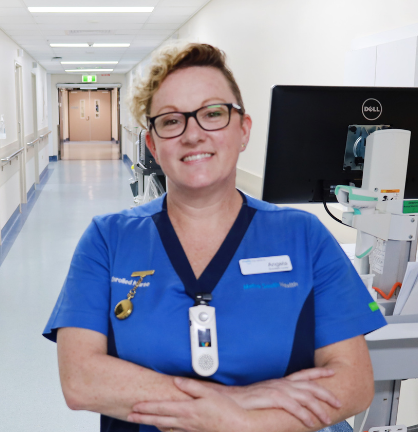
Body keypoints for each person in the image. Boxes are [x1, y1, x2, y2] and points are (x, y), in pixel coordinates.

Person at [42, 43, 386, 432]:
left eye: (212, 114)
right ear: (153, 145)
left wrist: (239, 422)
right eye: (171, 121)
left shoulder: (303, 237)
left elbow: (353, 383)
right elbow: (82, 381)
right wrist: (230, 401)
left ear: (243, 130)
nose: (193, 134)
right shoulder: (108, 240)